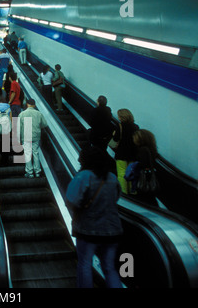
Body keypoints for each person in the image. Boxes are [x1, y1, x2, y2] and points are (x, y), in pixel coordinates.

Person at [65, 146, 123, 288]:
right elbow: (116, 198)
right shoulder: (112, 178)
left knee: (85, 263)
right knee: (109, 267)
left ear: (85, 160)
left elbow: (71, 200)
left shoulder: (83, 176)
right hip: (112, 229)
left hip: (88, 229)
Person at [112, 109, 139, 194]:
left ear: (121, 117)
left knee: (122, 173)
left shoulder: (120, 126)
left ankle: (123, 193)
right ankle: (133, 191)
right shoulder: (136, 127)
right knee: (131, 172)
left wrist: (114, 134)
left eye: (119, 115)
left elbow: (115, 139)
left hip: (121, 153)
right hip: (133, 153)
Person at [18, 98, 47, 178]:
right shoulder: (39, 114)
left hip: (26, 136)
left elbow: (19, 128)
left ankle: (30, 172)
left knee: (27, 153)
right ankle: (37, 172)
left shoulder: (22, 114)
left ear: (27, 104)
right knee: (35, 153)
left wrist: (19, 139)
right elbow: (44, 124)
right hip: (36, 136)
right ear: (34, 105)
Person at [131, 129, 159, 206]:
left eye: (135, 138)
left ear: (140, 139)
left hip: (143, 178)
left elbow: (143, 164)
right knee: (149, 197)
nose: (134, 140)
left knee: (144, 196)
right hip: (150, 177)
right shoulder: (151, 149)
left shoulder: (142, 150)